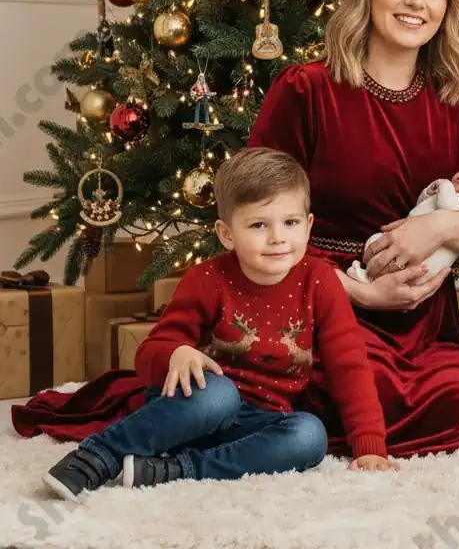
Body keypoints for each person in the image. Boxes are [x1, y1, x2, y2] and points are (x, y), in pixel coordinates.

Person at [246, 0, 459, 457]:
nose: (417, 1)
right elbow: (255, 223)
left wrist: (439, 226)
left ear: (450, 4)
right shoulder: (308, 89)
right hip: (326, 304)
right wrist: (364, 293)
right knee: (351, 387)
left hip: (423, 321)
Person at [40, 147, 389, 501]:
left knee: (309, 435)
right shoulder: (208, 279)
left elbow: (349, 364)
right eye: (258, 225)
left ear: (308, 225)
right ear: (226, 234)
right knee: (220, 396)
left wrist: (370, 444)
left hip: (257, 422)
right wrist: (176, 352)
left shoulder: (320, 280)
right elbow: (149, 354)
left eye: (290, 222)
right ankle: (99, 455)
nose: (278, 238)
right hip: (194, 406)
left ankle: (176, 470)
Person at [347, 161, 459, 285]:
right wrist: (430, 192)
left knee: (390, 262)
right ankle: (368, 278)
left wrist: (445, 185)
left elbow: (446, 206)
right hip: (410, 247)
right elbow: (421, 205)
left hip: (425, 262)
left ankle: (366, 279)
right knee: (377, 244)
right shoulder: (453, 195)